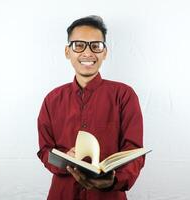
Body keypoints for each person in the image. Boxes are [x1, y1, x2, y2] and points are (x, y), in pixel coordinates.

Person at [37, 15, 145, 200]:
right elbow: (45, 151)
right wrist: (65, 158)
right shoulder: (52, 99)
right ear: (67, 51)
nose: (87, 53)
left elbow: (134, 152)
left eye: (96, 46)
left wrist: (113, 181)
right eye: (79, 45)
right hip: (63, 194)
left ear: (105, 52)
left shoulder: (124, 95)